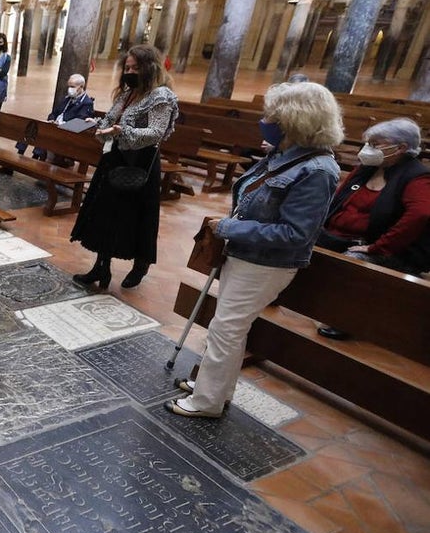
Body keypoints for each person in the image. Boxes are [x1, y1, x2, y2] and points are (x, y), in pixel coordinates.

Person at [167, 81, 342, 418]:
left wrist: (230, 228)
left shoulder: (317, 171)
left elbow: (295, 233)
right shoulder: (286, 155)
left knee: (226, 329)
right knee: (230, 327)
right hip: (246, 256)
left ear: (295, 121)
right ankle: (214, 387)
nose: (266, 121)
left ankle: (207, 402)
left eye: (272, 116)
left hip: (266, 264)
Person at [70, 44, 178, 289]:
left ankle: (140, 266)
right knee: (105, 213)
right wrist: (96, 123)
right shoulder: (127, 92)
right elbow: (112, 119)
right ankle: (101, 268)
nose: (129, 72)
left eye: (135, 68)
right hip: (115, 158)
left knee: (137, 218)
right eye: (127, 67)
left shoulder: (161, 96)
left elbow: (156, 133)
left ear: (149, 68)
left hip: (140, 164)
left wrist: (122, 131)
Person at [314, 117, 430, 339]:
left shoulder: (417, 177)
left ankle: (344, 320)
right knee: (296, 239)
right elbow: (338, 199)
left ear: (401, 147)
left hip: (389, 250)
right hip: (342, 237)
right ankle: (286, 296)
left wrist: (377, 247)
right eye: (369, 142)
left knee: (352, 262)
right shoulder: (367, 168)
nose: (369, 148)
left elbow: (421, 215)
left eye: (376, 144)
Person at [16, 73, 94, 160]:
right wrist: (52, 119)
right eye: (69, 86)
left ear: (81, 86)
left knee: (47, 134)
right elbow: (54, 112)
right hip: (55, 125)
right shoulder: (68, 98)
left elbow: (79, 121)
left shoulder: (86, 103)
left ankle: (36, 157)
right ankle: (19, 153)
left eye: (72, 86)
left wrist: (62, 124)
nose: (70, 89)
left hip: (67, 131)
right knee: (31, 126)